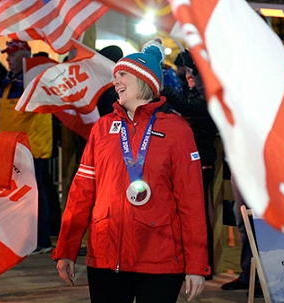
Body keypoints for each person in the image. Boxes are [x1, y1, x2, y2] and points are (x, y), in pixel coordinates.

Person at [52, 45, 210, 303]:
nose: (116, 81)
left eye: (123, 75)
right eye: (116, 76)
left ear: (145, 81)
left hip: (159, 259)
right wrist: (66, 250)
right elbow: (81, 193)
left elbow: (191, 203)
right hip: (105, 255)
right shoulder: (102, 128)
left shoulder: (178, 131)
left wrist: (196, 264)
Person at [162, 49, 218, 280]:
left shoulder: (208, 96)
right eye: (187, 73)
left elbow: (190, 107)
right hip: (195, 160)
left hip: (202, 161)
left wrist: (164, 91)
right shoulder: (197, 92)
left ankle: (204, 264)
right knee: (192, 213)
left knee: (199, 215)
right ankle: (193, 261)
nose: (187, 76)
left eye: (192, 73)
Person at [0, 39, 54, 254]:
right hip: (13, 148)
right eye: (7, 55)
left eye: (11, 55)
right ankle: (27, 239)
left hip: (31, 148)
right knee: (20, 197)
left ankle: (41, 240)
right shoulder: (10, 79)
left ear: (24, 57)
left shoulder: (32, 80)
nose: (7, 58)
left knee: (34, 195)